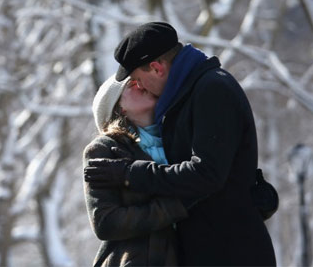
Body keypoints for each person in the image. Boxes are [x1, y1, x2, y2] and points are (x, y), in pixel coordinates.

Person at [85, 22, 276, 266]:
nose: (140, 86)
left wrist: (128, 173)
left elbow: (206, 173)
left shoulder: (212, 89)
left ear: (156, 68)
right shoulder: (185, 99)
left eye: (137, 79)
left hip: (229, 253)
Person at [83, 73, 188, 267]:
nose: (141, 85)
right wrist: (174, 207)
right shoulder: (104, 149)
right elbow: (106, 222)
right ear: (119, 109)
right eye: (131, 85)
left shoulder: (181, 140)